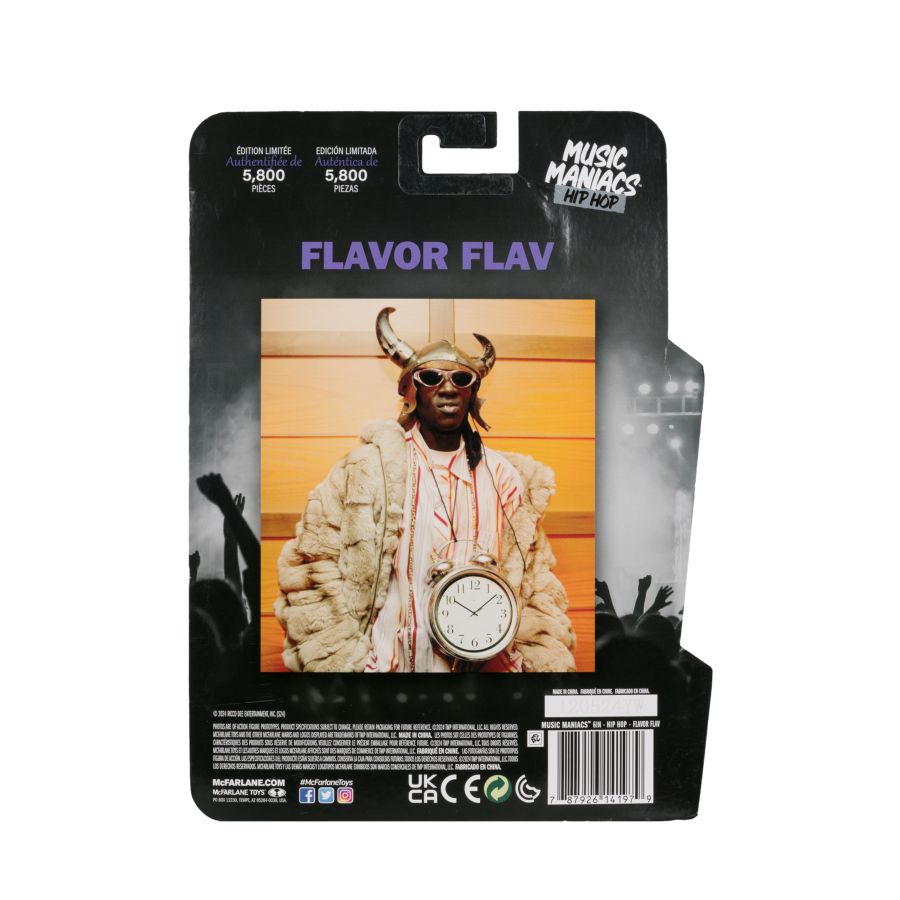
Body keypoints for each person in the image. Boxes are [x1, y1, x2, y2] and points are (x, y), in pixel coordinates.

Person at [274, 307, 576, 673]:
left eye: (461, 379)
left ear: (473, 393)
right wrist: (344, 663)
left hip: (484, 677)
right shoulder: (368, 469)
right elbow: (314, 561)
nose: (448, 388)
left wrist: (533, 664)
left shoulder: (505, 477)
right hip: (390, 672)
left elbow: (532, 580)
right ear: (411, 389)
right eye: (431, 377)